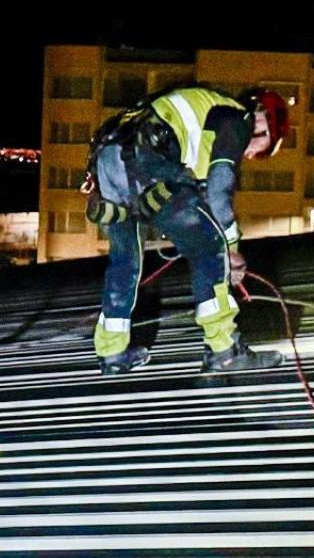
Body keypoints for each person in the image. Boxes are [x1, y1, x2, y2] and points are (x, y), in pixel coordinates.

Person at [84, 85, 292, 374]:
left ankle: (112, 352)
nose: (250, 154)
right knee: (210, 249)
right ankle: (225, 350)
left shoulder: (208, 112)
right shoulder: (238, 119)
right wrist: (230, 248)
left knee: (124, 262)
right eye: (263, 147)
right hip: (147, 158)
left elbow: (202, 187)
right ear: (263, 123)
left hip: (110, 159)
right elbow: (220, 189)